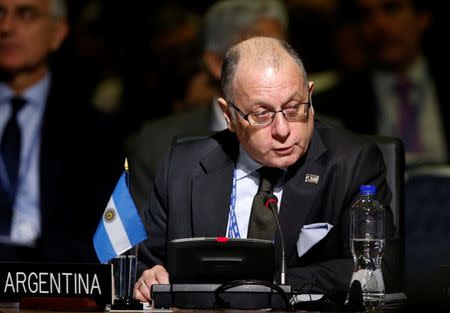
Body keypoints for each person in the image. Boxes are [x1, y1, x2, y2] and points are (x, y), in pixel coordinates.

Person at [133, 37, 396, 301]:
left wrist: (257, 285)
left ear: (311, 96)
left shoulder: (351, 163)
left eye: (294, 108)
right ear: (229, 116)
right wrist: (148, 276)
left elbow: (376, 267)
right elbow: (144, 262)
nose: (282, 130)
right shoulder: (184, 166)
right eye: (261, 114)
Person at [127, 0, 288, 211]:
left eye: (284, 54)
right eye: (260, 56)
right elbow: (144, 240)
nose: (275, 68)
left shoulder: (326, 141)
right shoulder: (157, 146)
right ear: (215, 64)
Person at [0, 0, 122, 262]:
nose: (6, 27)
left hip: (55, 280)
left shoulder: (93, 129)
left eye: (26, 14)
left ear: (57, 32)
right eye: (0, 13)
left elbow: (102, 236)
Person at [316, 0, 449, 167]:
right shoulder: (336, 103)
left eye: (391, 8)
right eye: (366, 15)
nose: (379, 24)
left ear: (422, 17)